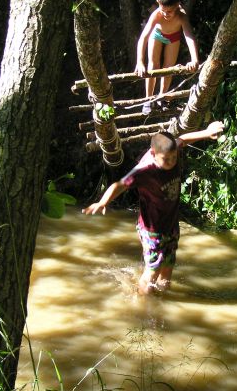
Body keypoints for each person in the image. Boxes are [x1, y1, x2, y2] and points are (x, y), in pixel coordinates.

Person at [82, 121, 224, 295]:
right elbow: (120, 185)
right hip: (152, 230)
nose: (171, 162)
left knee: (168, 267)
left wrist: (207, 132)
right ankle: (142, 307)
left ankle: (162, 303)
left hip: (171, 224)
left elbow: (182, 139)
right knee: (152, 272)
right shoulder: (145, 170)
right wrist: (103, 202)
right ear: (153, 153)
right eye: (166, 159)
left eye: (174, 157)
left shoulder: (172, 149)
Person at [135, 0, 199, 114]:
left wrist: (194, 59)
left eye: (169, 11)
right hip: (157, 35)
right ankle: (148, 98)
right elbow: (143, 38)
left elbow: (189, 37)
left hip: (173, 38)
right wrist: (140, 62)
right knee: (153, 65)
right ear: (158, 3)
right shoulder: (156, 15)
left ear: (177, 5)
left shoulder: (181, 16)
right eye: (162, 9)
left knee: (169, 67)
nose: (165, 14)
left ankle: (162, 97)